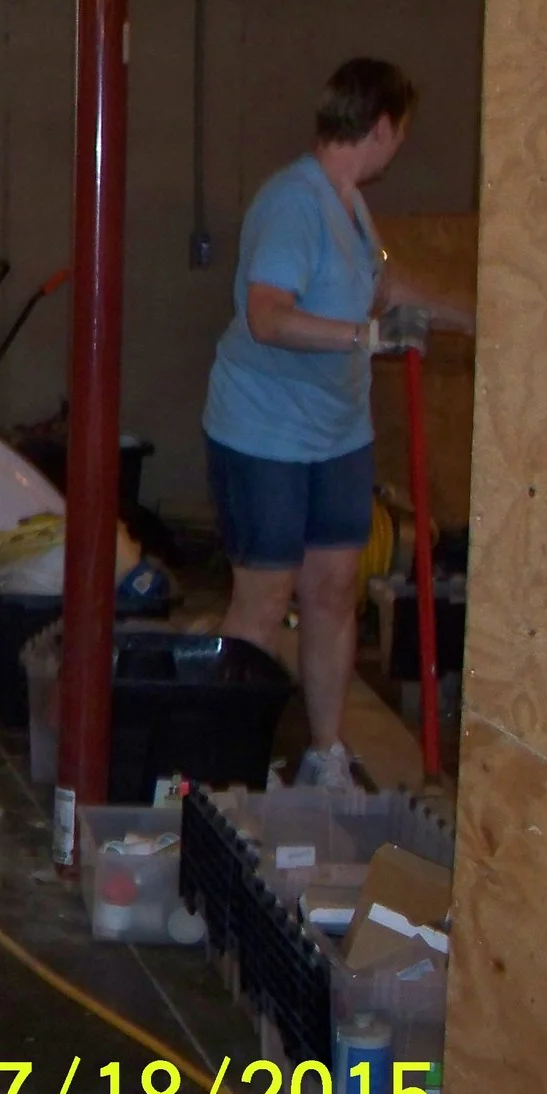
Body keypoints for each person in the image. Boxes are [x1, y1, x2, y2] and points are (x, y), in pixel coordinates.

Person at [202, 57, 472, 785]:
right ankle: (224, 770)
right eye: (400, 133)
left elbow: (382, 284)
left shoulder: (348, 202)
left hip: (336, 433)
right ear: (380, 127)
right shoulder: (294, 203)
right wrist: (365, 338)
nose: (399, 146)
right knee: (263, 600)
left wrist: (481, 317)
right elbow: (267, 315)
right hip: (266, 431)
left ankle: (324, 752)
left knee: (331, 587)